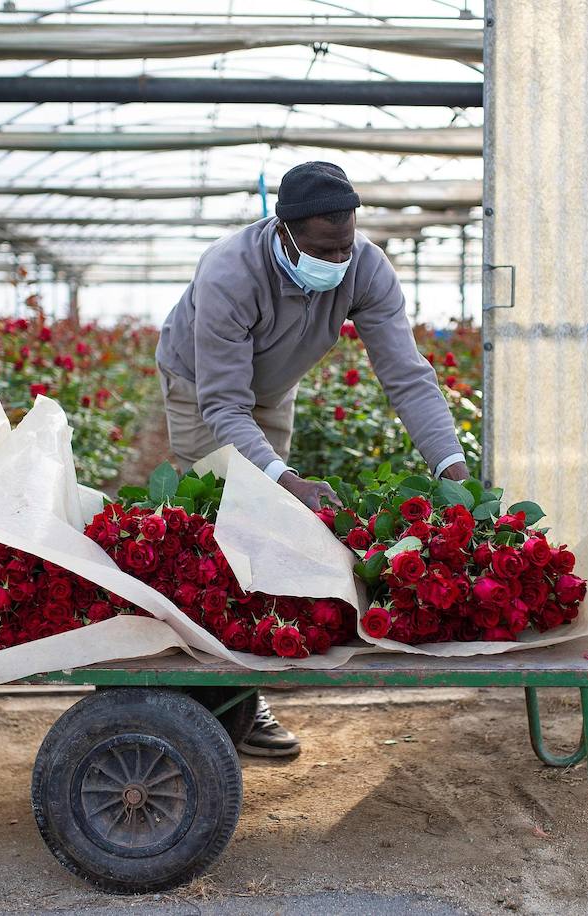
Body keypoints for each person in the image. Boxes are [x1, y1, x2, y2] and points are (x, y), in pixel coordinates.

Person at [155, 161, 469, 756]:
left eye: (345, 244)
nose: (337, 258)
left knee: (265, 526)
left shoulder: (367, 270)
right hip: (201, 390)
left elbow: (407, 377)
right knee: (212, 528)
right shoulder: (230, 272)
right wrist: (284, 478)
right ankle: (213, 700)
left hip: (273, 389)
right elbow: (223, 404)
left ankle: (245, 684)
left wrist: (452, 470)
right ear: (284, 229)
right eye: (323, 247)